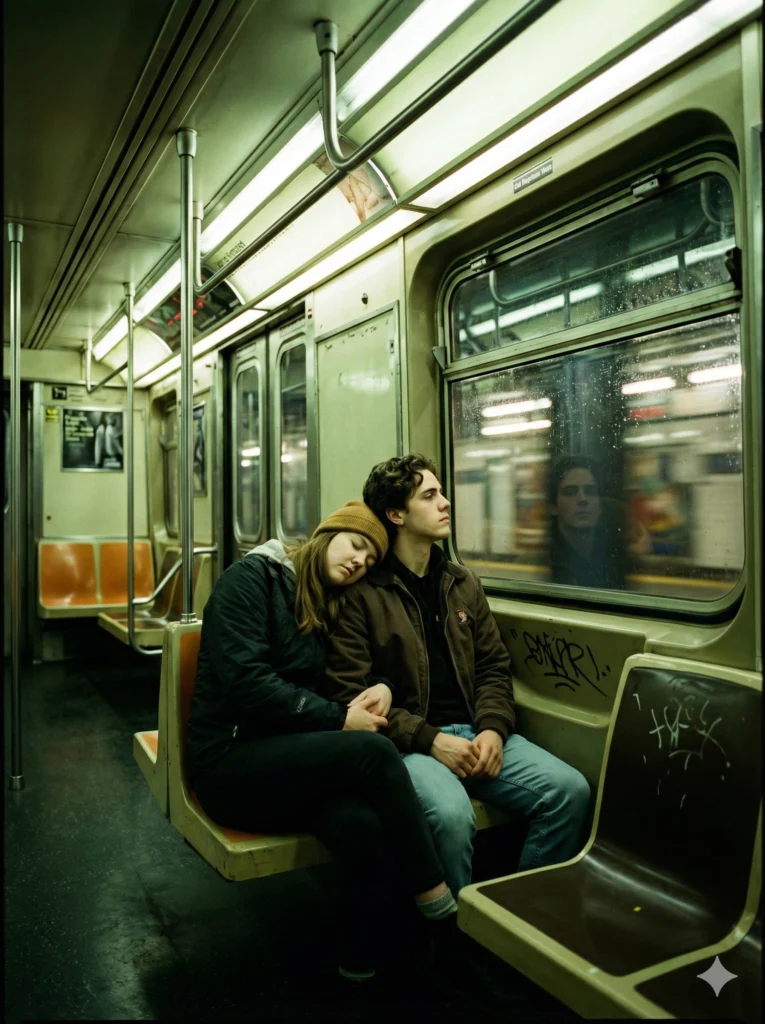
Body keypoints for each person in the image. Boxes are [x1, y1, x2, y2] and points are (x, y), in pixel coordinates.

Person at [186, 500, 457, 985]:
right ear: (326, 534)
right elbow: (245, 682)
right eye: (355, 545)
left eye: (371, 561)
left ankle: (359, 963)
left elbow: (346, 673)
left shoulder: (326, 600)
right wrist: (338, 718)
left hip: (290, 758)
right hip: (229, 761)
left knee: (360, 823)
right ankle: (434, 896)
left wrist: (384, 688)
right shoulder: (251, 581)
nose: (358, 562)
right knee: (373, 751)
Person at [324, 455, 591, 902]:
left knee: (570, 792)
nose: (446, 503)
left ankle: (515, 919)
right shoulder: (364, 595)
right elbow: (350, 694)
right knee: (451, 816)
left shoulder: (462, 582)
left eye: (442, 493)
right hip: (407, 747)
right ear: (397, 514)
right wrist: (430, 739)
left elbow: (492, 667)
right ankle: (451, 937)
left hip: (474, 732)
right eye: (430, 496)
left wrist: (492, 728)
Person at [548, 455, 651, 588]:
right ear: (554, 507)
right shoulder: (544, 562)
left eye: (591, 491)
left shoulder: (614, 556)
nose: (582, 499)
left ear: (600, 504)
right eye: (570, 492)